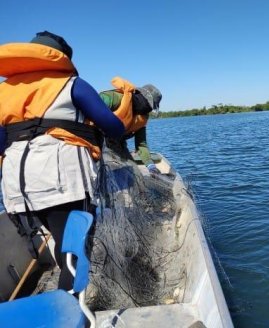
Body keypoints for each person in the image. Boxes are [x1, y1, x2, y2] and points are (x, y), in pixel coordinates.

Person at [0, 31, 129, 290]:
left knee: (61, 238)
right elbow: (114, 127)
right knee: (76, 251)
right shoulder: (72, 84)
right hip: (60, 181)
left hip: (17, 187)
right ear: (61, 58)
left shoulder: (4, 91)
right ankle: (67, 309)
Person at [99, 80, 162, 166]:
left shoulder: (141, 120)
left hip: (117, 143)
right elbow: (92, 103)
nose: (149, 110)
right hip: (97, 138)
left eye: (151, 108)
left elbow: (141, 145)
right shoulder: (116, 98)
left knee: (130, 167)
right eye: (149, 106)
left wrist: (149, 164)